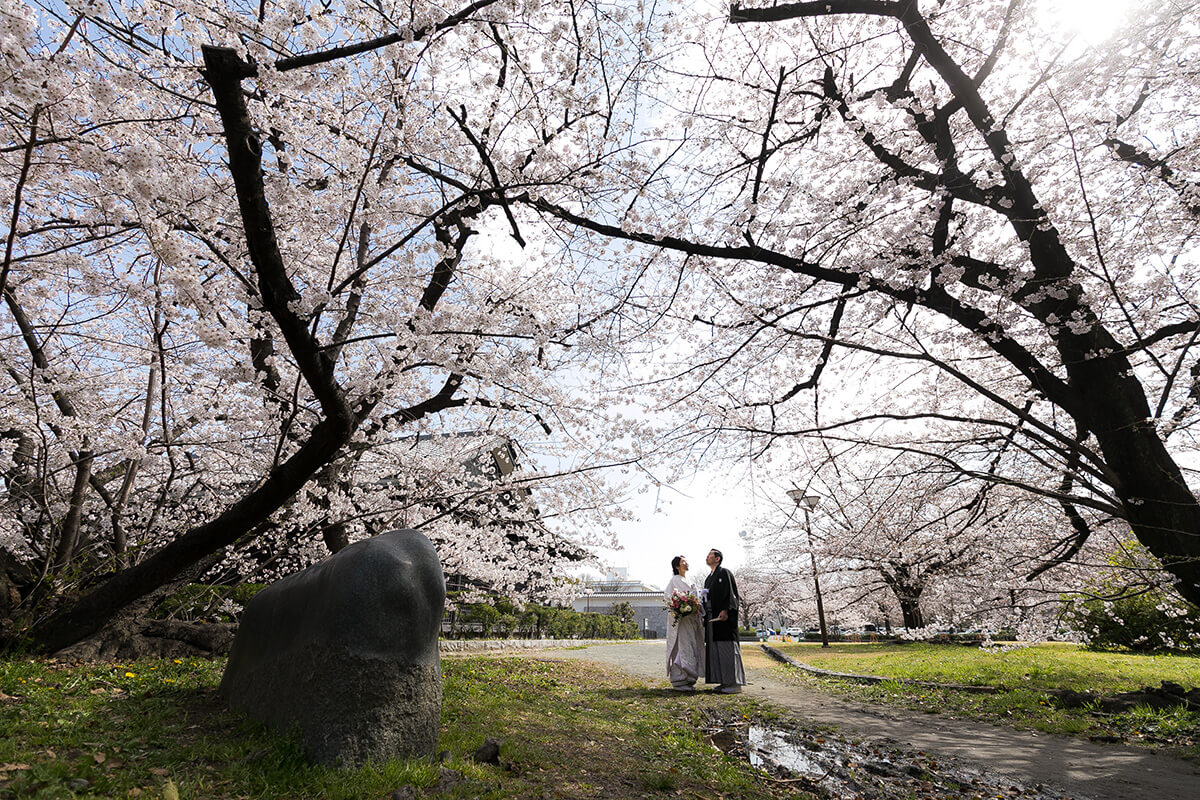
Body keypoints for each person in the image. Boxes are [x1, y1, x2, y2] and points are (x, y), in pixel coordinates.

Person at [703, 548, 745, 693]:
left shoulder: (724, 573)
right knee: (715, 650)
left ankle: (734, 683)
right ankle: (723, 681)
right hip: (712, 618)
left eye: (710, 555)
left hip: (724, 619)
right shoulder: (708, 578)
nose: (707, 557)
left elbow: (730, 594)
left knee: (727, 649)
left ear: (717, 559)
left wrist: (726, 609)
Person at [664, 555, 704, 691]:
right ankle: (680, 678)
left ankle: (689, 678)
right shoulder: (675, 580)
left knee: (691, 646)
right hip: (682, 620)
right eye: (683, 562)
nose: (686, 563)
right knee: (682, 647)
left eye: (686, 561)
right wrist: (681, 606)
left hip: (690, 620)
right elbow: (669, 597)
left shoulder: (687, 579)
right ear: (677, 566)